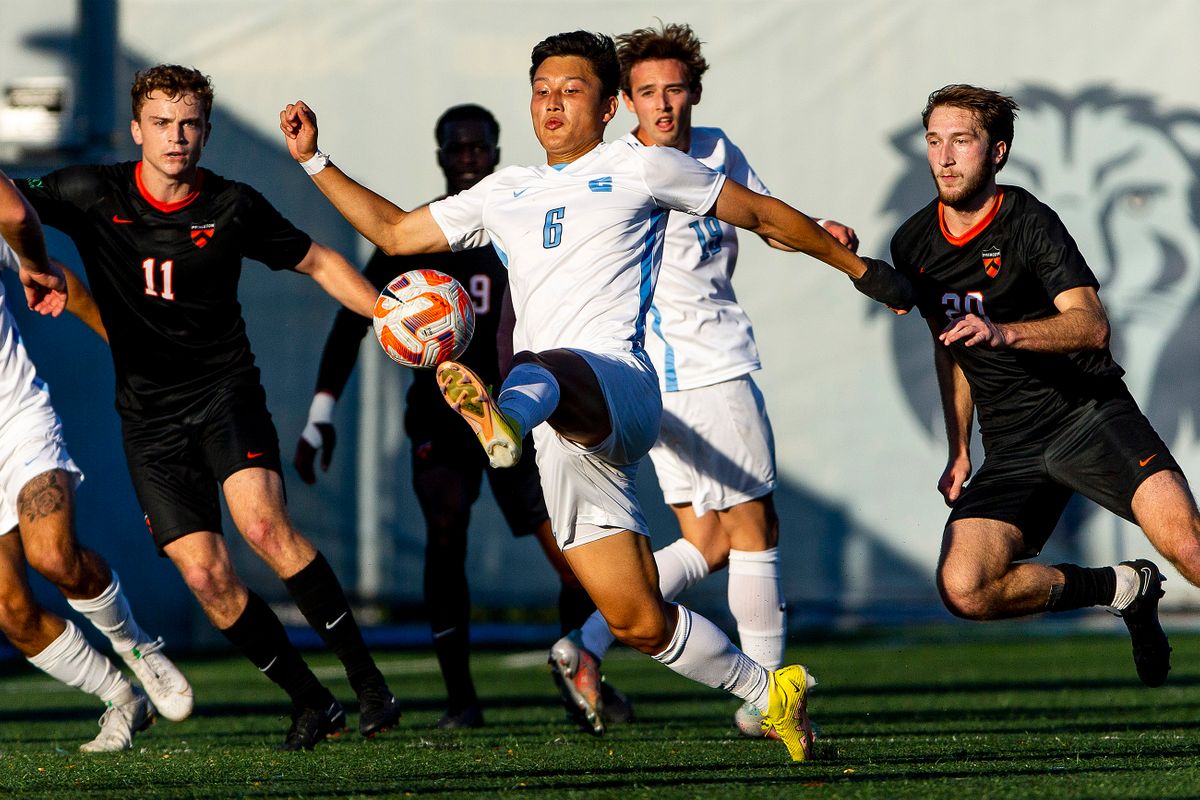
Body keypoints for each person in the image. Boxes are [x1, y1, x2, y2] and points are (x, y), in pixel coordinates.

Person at [280, 31, 911, 762]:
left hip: (617, 384)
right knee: (639, 619)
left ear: (609, 106)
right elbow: (392, 229)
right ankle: (770, 693)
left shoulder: (643, 167)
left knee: (539, 366)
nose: (552, 103)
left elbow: (764, 216)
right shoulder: (506, 191)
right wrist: (313, 161)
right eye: (542, 90)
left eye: (571, 89)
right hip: (559, 434)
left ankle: (502, 417)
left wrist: (859, 268)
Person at [18, 65, 402, 750]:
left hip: (224, 393)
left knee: (264, 529)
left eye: (190, 122)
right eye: (162, 123)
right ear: (136, 130)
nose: (177, 136)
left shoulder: (232, 205)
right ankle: (312, 701)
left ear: (206, 130)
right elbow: (11, 201)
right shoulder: (89, 191)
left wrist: (392, 315)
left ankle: (369, 684)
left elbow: (318, 262)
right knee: (205, 575)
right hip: (148, 418)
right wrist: (31, 258)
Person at [548, 21, 860, 738]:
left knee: (712, 541)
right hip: (701, 367)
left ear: (694, 92)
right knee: (757, 527)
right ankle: (769, 703)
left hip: (668, 380)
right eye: (648, 92)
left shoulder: (717, 149)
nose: (664, 105)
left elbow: (764, 219)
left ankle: (587, 643)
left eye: (676, 90)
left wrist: (818, 227)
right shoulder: (629, 169)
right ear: (624, 101)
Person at [294, 103, 612, 729]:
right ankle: (460, 699)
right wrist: (320, 413)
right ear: (440, 156)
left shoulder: (521, 225)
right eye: (458, 148)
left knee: (573, 550)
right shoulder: (417, 237)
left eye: (480, 147)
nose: (470, 157)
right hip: (442, 416)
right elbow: (351, 321)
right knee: (445, 535)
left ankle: (584, 677)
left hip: (520, 410)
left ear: (496, 151)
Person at [891, 84, 1200, 686]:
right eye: (934, 141)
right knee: (967, 589)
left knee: (1189, 548)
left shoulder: (1029, 220)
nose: (945, 157)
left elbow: (1091, 326)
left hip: (1088, 416)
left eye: (962, 141)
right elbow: (948, 348)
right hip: (1011, 445)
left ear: (998, 151)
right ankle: (1120, 588)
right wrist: (958, 449)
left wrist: (1004, 334)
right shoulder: (913, 243)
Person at [0, 169, 192, 752]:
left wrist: (136, 354)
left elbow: (35, 247)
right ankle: (120, 696)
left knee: (54, 555)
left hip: (15, 421)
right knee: (11, 612)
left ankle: (139, 648)